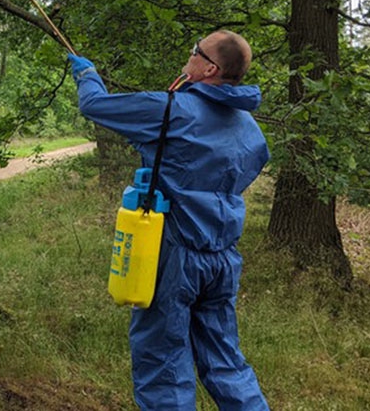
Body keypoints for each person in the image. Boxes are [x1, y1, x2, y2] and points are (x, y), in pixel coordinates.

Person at [68, 30, 270, 411]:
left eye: (195, 50)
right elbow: (253, 164)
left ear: (209, 68)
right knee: (225, 360)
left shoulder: (171, 110)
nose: (188, 54)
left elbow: (95, 105)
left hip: (175, 255)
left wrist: (87, 74)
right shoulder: (250, 129)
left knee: (164, 364)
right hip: (223, 260)